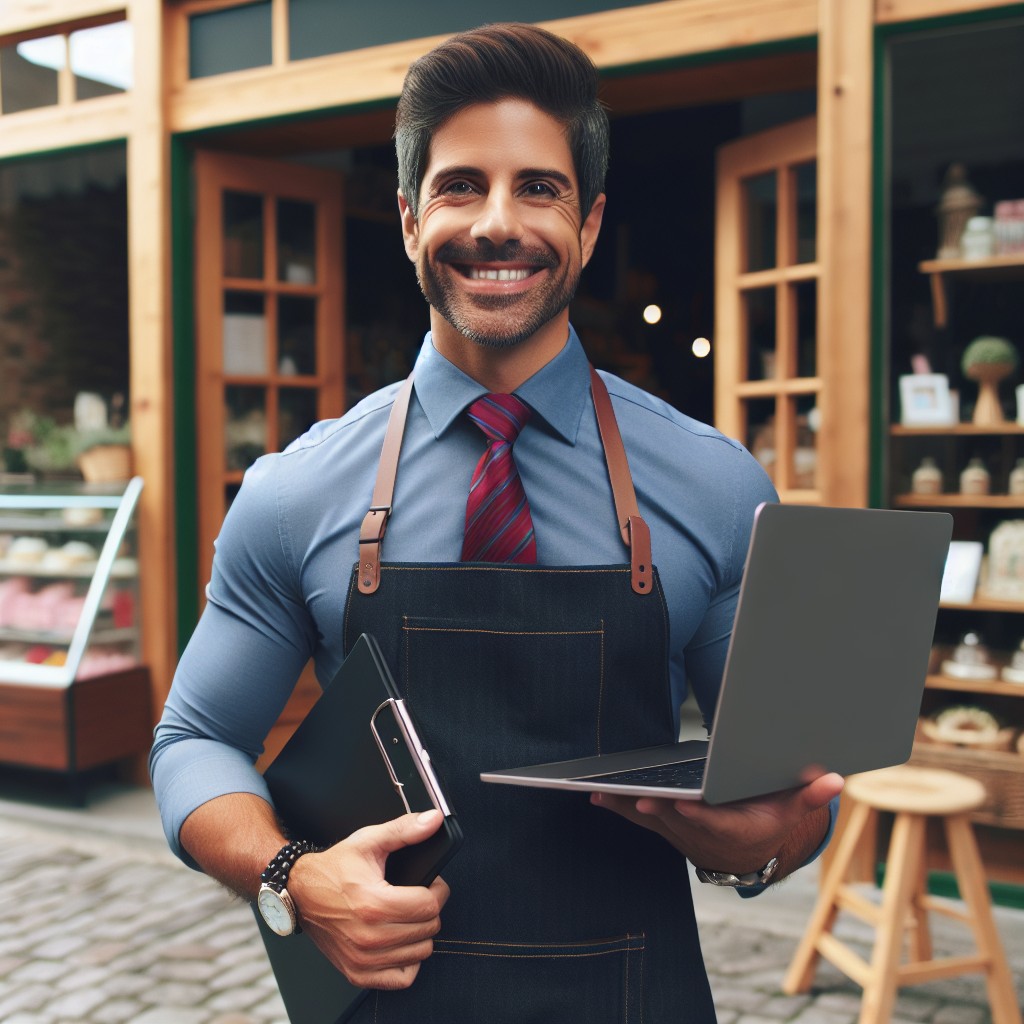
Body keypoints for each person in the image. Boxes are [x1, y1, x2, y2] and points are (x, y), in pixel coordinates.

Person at [150, 22, 843, 1023]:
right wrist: (292, 875)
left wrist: (766, 845)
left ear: (590, 223)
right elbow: (195, 739)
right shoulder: (294, 491)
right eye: (460, 185)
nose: (496, 222)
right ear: (406, 217)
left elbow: (794, 786)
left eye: (538, 188)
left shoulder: (715, 484)